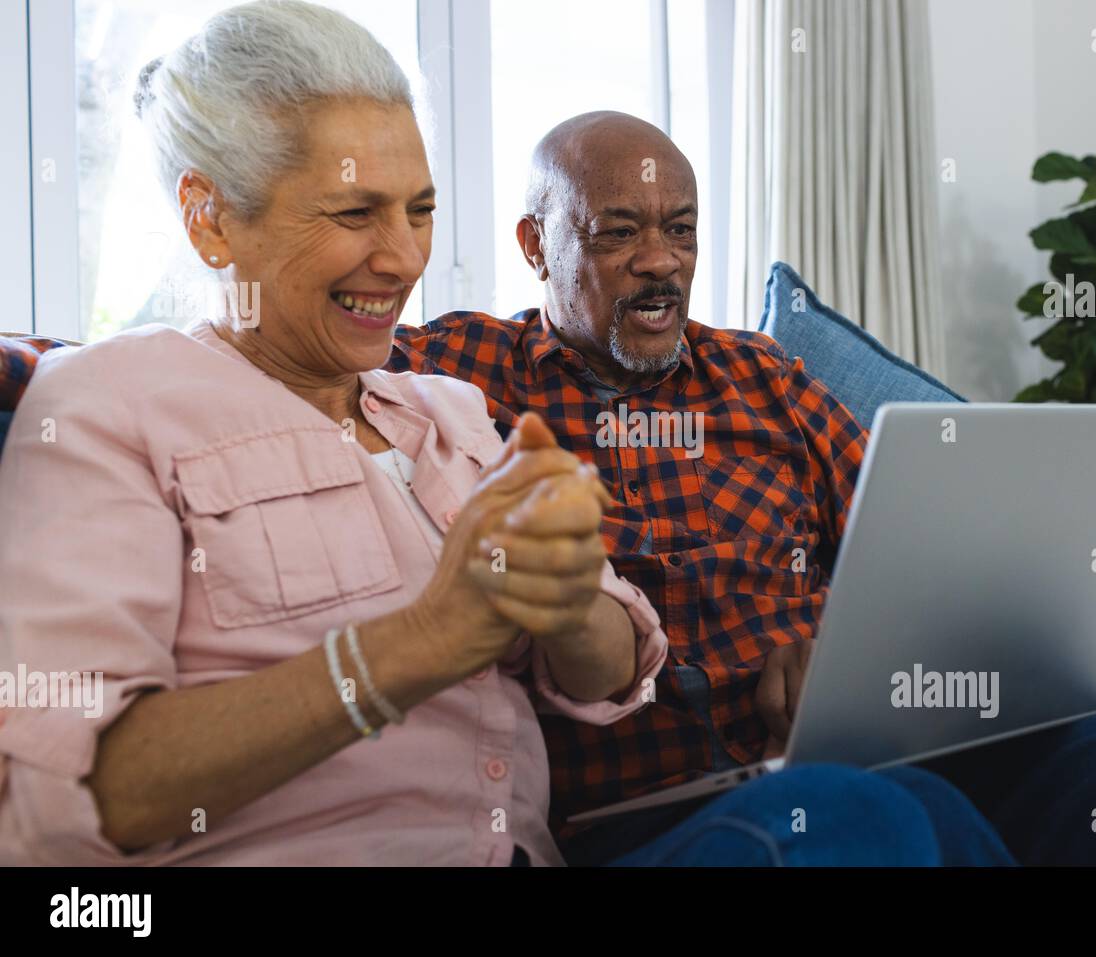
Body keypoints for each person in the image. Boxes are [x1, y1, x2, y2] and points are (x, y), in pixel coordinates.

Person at [0, 1, 988, 868]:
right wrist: (427, 639)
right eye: (355, 213)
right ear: (211, 222)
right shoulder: (106, 406)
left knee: (949, 801)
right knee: (852, 822)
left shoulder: (444, 414)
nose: (401, 259)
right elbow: (69, 802)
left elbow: (610, 662)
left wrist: (568, 604)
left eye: (420, 212)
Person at [388, 110, 1096, 866]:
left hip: (862, 752)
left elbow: (919, 554)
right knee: (878, 819)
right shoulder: (459, 372)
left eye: (681, 230)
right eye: (619, 232)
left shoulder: (765, 378)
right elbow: (305, 360)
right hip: (649, 811)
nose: (662, 261)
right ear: (534, 246)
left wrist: (848, 645)